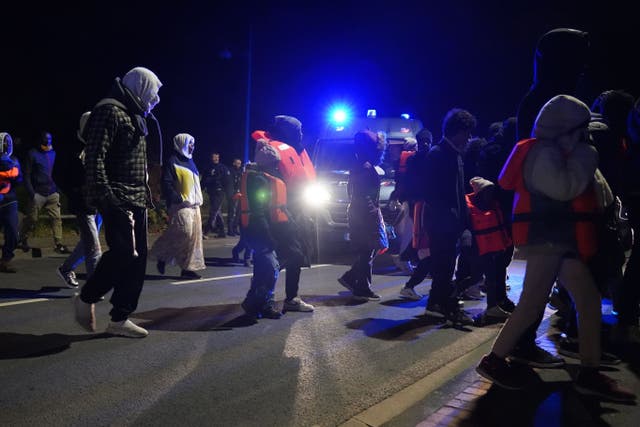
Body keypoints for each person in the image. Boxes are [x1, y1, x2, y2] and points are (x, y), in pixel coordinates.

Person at [476, 95, 635, 402]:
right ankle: (495, 360)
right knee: (534, 304)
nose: (585, 136)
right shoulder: (544, 153)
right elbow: (565, 189)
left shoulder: (554, 151)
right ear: (565, 129)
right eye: (581, 130)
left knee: (586, 301)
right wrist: (586, 156)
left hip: (559, 241)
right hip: (548, 240)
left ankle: (589, 371)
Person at [509, 28, 591, 368]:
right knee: (538, 294)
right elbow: (544, 158)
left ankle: (514, 351)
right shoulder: (546, 101)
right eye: (578, 56)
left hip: (553, 209)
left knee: (551, 294)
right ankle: (510, 352)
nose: (584, 66)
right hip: (549, 209)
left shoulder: (542, 96)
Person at [73, 66, 162, 338]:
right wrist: (106, 197)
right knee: (123, 252)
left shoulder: (134, 114)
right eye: (153, 92)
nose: (155, 98)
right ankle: (85, 297)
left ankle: (120, 318)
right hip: (116, 196)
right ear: (140, 87)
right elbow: (95, 157)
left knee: (137, 260)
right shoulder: (109, 110)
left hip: (136, 197)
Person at [250, 115, 316, 312]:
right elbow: (268, 185)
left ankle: (290, 298)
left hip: (298, 210)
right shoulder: (269, 150)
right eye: (298, 131)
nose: (301, 135)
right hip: (279, 213)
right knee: (277, 258)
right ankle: (262, 298)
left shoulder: (295, 151)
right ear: (288, 132)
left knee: (296, 255)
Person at [422, 109, 477, 325]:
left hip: (449, 223)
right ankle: (440, 306)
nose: (469, 138)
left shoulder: (452, 154)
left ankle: (439, 306)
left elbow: (458, 193)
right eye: (467, 133)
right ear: (457, 131)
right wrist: (453, 218)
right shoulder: (438, 154)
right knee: (443, 267)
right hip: (441, 224)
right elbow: (432, 192)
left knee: (445, 268)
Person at [338, 130, 389, 301]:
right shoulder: (366, 168)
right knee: (368, 249)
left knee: (367, 249)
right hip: (365, 213)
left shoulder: (358, 164)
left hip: (359, 211)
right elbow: (365, 196)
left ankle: (355, 280)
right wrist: (374, 215)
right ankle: (360, 285)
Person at [54, 112, 103, 288]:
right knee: (94, 247)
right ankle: (94, 287)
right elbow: (58, 175)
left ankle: (66, 269)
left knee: (88, 242)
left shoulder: (98, 146)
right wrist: (74, 191)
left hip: (98, 203)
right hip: (82, 204)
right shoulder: (70, 149)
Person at [239, 145, 286, 320]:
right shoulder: (258, 181)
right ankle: (253, 302)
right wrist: (269, 236)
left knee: (261, 269)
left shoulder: (259, 177)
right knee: (271, 267)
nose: (276, 167)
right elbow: (259, 211)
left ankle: (262, 305)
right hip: (258, 230)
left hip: (256, 229)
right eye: (274, 163)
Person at [152, 133, 205, 279]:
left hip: (195, 207)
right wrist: (177, 198)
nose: (192, 147)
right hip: (181, 206)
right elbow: (166, 184)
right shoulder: (172, 161)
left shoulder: (191, 162)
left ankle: (187, 268)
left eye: (193, 144)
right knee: (182, 232)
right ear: (181, 143)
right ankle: (162, 255)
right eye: (189, 144)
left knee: (194, 239)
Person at [464, 177, 515, 325]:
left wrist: (504, 245)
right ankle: (452, 294)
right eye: (487, 191)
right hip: (478, 251)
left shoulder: (493, 206)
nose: (491, 194)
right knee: (474, 278)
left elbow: (500, 229)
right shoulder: (470, 208)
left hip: (492, 251)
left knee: (491, 279)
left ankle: (492, 307)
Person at [18, 131, 70, 254]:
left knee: (56, 219)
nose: (47, 142)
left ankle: (58, 244)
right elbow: (27, 175)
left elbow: (59, 172)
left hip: (52, 193)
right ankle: (22, 238)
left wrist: (58, 190)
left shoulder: (54, 154)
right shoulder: (32, 154)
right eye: (45, 139)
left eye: (49, 139)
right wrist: (32, 193)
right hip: (38, 193)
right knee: (32, 218)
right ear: (40, 140)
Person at [398, 127, 433, 300]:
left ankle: (407, 258)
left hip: (416, 206)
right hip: (425, 208)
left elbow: (405, 182)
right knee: (426, 247)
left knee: (421, 242)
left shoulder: (412, 160)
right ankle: (410, 283)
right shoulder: (430, 158)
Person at [0, 132, 22, 273]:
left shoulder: (13, 159)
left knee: (13, 234)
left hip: (8, 200)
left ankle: (6, 260)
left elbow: (18, 177)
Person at [203, 152, 231, 238]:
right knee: (217, 212)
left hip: (219, 192)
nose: (215, 159)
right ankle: (222, 232)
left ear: (219, 158)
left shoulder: (223, 168)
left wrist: (228, 192)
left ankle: (206, 232)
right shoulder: (208, 167)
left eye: (217, 157)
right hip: (211, 192)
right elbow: (204, 180)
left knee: (213, 211)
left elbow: (227, 181)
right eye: (214, 157)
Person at [227, 158, 243, 236]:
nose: (238, 165)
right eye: (237, 163)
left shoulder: (240, 172)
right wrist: (233, 194)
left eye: (239, 163)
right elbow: (230, 184)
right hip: (233, 195)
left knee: (238, 213)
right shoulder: (230, 171)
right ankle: (230, 230)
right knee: (232, 213)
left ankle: (235, 228)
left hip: (240, 194)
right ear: (234, 163)